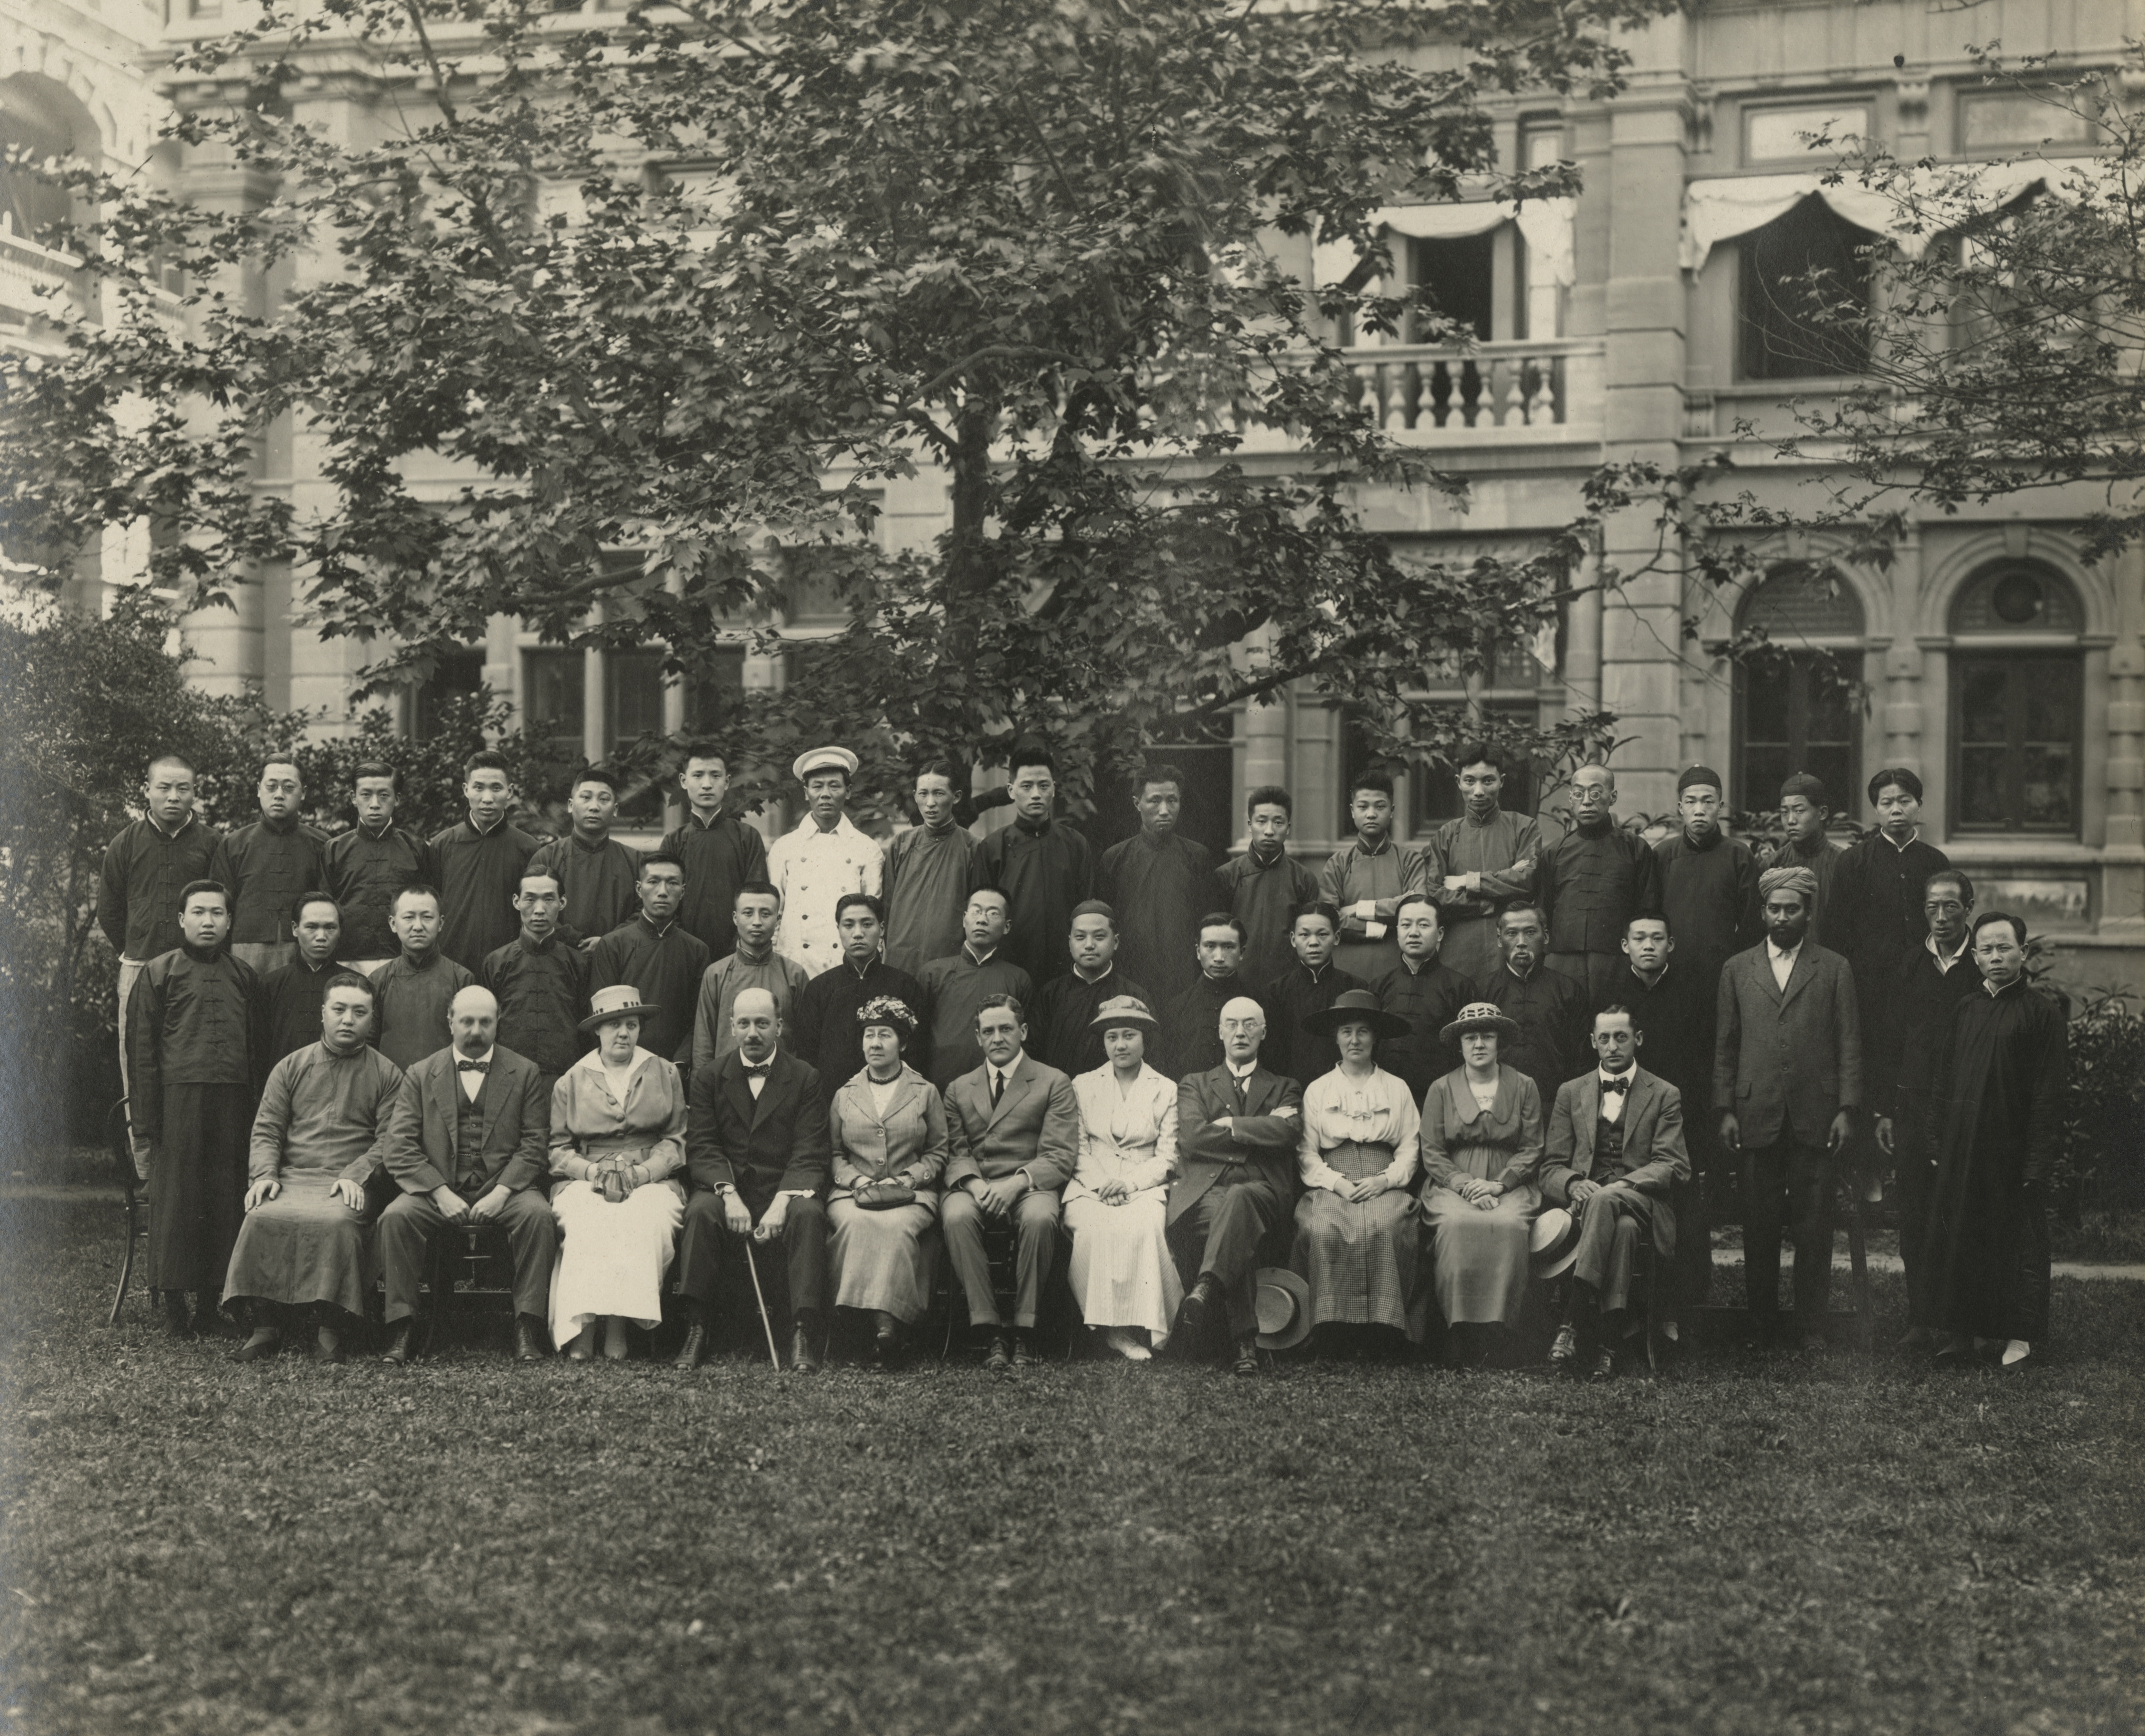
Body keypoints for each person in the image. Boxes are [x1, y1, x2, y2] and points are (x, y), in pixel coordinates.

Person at [1714, 865, 1861, 1351]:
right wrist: (1725, 1107)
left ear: (1807, 913)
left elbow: (1848, 1042)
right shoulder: (1737, 968)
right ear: (1762, 912)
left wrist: (1846, 1108)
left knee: (1813, 1227)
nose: (1782, 917)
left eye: (1791, 909)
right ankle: (1759, 1322)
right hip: (1755, 1111)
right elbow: (1725, 1044)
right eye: (1774, 909)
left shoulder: (1833, 967)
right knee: (1757, 1226)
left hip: (1815, 1114)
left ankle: (1810, 1324)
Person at [224, 971, 403, 1363]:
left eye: (359, 1012)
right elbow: (267, 1129)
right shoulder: (291, 1066)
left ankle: (330, 1327)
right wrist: (265, 1175)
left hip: (351, 1181)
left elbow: (391, 1139)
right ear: (323, 1013)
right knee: (262, 1215)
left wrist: (356, 1174)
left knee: (338, 1221)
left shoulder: (388, 1074)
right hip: (293, 1178)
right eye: (339, 1009)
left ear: (372, 1019)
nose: (348, 1019)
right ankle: (265, 1326)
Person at [1915, 913, 2067, 1370]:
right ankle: (1963, 1331)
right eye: (1986, 949)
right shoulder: (1966, 1008)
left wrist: (2036, 1162)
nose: (1995, 957)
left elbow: (2048, 1095)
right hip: (1964, 1146)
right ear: (1976, 957)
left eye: (2004, 947)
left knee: (2018, 1242)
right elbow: (1943, 1079)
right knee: (1963, 1235)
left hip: (2012, 1150)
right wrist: (1936, 1140)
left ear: (2023, 951)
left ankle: (2018, 1338)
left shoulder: (2041, 1012)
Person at [377, 985, 556, 1364]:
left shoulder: (524, 1072)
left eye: (485, 1022)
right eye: (467, 1021)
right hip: (438, 1187)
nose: (476, 1031)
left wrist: (502, 1191)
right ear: (450, 1021)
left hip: (505, 1186)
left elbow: (535, 1143)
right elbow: (399, 1146)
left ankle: (526, 1324)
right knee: (396, 1217)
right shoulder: (420, 1074)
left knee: (538, 1216)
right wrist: (439, 1192)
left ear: (498, 1022)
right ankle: (402, 1326)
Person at [126, 879, 266, 1337]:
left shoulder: (244, 975)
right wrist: (149, 1120)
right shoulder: (159, 972)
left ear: (230, 921)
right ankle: (175, 1309)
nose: (209, 921)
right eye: (199, 912)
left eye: (217, 913)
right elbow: (141, 1050)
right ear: (182, 919)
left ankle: (211, 1305)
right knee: (177, 1204)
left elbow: (256, 1048)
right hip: (177, 1103)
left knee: (224, 1200)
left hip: (232, 1101)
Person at [674, 987, 831, 1372]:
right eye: (743, 1023)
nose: (752, 1033)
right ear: (731, 1026)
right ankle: (697, 1327)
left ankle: (802, 1331)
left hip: (783, 1188)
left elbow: (809, 1149)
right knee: (700, 1211)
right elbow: (703, 1145)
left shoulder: (805, 1077)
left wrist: (782, 1202)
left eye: (762, 1023)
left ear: (779, 1026)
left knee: (808, 1213)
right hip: (729, 1188)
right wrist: (728, 1195)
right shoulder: (710, 1077)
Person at [1539, 1007, 1691, 1380]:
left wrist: (1622, 1185)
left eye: (1621, 1037)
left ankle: (1571, 1321)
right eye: (1604, 1038)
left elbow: (1673, 1165)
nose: (1612, 1046)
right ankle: (1608, 1347)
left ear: (1637, 1039)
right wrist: (1573, 1183)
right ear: (1593, 1042)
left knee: (1607, 1199)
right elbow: (1550, 1167)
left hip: (1645, 1202)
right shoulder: (1570, 1092)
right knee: (1622, 1229)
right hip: (1593, 1208)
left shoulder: (1664, 1093)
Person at [545, 983, 689, 1361]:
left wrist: (643, 1173)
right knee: (587, 1218)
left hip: (651, 1176)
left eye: (631, 1024)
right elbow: (558, 1150)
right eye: (613, 1025)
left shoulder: (664, 1072)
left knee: (643, 1217)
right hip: (587, 1176)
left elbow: (675, 1139)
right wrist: (592, 1171)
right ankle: (583, 1326)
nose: (623, 1033)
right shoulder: (572, 1080)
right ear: (597, 1029)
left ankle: (618, 1326)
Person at [940, 994, 1081, 1369]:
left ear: (1024, 1031)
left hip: (1030, 1184)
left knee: (1039, 1218)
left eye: (1006, 1029)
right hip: (976, 1184)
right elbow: (954, 1150)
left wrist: (1016, 1183)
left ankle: (1024, 1329)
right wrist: (974, 1184)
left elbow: (1059, 1153)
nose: (997, 1038)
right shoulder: (958, 1088)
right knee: (956, 1216)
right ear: (977, 1037)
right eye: (988, 1031)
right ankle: (989, 1328)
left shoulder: (1053, 1081)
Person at [1874, 871, 1985, 1340]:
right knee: (1915, 1214)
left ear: (1969, 908)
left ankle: (1961, 1321)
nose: (1940, 917)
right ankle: (1921, 1318)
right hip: (1913, 1108)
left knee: (1963, 1214)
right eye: (1931, 907)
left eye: (1950, 907)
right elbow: (1888, 1041)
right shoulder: (1909, 964)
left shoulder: (1980, 966)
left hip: (1967, 1107)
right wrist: (1884, 1110)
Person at [1170, 997, 1304, 1376]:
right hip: (1208, 1191)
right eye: (1231, 1024)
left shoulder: (1285, 1086)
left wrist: (1229, 1125)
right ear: (1219, 1032)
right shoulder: (1195, 1083)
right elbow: (1192, 1138)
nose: (1240, 1032)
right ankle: (1244, 1342)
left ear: (1264, 1032)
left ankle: (1206, 1287)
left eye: (1249, 1024)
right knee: (1233, 1216)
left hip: (1264, 1190)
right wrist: (1259, 1129)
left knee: (1240, 1200)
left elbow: (1288, 1132)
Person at [99, 752, 220, 1171]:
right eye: (164, 787)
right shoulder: (125, 843)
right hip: (139, 970)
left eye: (183, 788)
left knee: (195, 1064)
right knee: (138, 1067)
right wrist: (139, 948)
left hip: (199, 972)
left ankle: (193, 1170)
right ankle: (148, 1174)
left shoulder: (212, 843)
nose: (173, 796)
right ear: (146, 790)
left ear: (194, 793)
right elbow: (110, 911)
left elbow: (223, 906)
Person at [1289, 989, 1424, 1349]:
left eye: (1363, 1031)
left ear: (1375, 1037)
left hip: (1383, 1178)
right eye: (1346, 1031)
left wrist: (1385, 1180)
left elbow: (1410, 1147)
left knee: (1385, 1226)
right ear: (1335, 1037)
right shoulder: (1318, 1090)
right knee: (1323, 1228)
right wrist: (1336, 1183)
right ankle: (1330, 1327)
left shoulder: (1396, 1088)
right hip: (1333, 1180)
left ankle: (1385, 1329)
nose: (1355, 1040)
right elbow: (1306, 1151)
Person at [1599, 913, 1713, 1313]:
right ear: (1624, 945)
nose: (1648, 945)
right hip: (1624, 1120)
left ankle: (1683, 1311)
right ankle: (1623, 1307)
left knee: (1684, 1210)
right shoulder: (1610, 993)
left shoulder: (1693, 992)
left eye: (1657, 938)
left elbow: (1707, 1059)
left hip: (1682, 1119)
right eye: (1639, 938)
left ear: (1671, 944)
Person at [825, 996, 948, 1364]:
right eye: (869, 1035)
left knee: (895, 1227)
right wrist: (855, 1181)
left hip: (912, 1193)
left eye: (885, 1035)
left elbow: (938, 1151)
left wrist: (911, 1178)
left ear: (903, 1043)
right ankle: (858, 1324)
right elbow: (834, 1153)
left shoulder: (924, 1091)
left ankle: (891, 1323)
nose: (875, 1043)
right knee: (854, 1224)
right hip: (853, 1193)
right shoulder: (845, 1094)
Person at [1417, 1003, 1544, 1361]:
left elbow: (1532, 1146)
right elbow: (1432, 1150)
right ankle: (1457, 1331)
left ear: (1499, 1042)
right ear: (1459, 1045)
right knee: (1457, 1224)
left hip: (1509, 1182)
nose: (1479, 1044)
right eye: (1470, 1037)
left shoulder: (1524, 1086)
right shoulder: (1441, 1088)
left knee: (1508, 1225)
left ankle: (1500, 1332)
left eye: (1487, 1036)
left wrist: (1499, 1185)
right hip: (1453, 1182)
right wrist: (1465, 1184)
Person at [1063, 997, 1183, 1361]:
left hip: (1143, 1182)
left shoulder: (1164, 1087)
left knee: (1145, 1227)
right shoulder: (1083, 1084)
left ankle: (1144, 1324)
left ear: (1144, 1039)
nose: (1120, 1045)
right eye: (1112, 1037)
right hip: (1091, 1183)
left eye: (1129, 1035)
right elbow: (1077, 1147)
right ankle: (1111, 1330)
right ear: (1103, 1042)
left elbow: (1167, 1155)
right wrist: (1102, 1184)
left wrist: (1129, 1184)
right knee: (1093, 1228)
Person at [968, 739, 1094, 984]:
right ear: (1011, 790)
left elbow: (1087, 911)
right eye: (1026, 786)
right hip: (1009, 972)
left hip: (1066, 973)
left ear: (1054, 789)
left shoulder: (1076, 844)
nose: (1036, 794)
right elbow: (981, 917)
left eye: (1043, 785)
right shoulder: (993, 847)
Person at [1098, 762, 1221, 1010]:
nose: (1164, 810)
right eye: (1155, 800)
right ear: (1137, 803)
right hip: (1130, 981)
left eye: (1172, 800)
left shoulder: (1198, 857)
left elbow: (1210, 925)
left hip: (1185, 981)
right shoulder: (1115, 859)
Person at [1541, 764, 1664, 1003]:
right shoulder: (1554, 852)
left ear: (1613, 797)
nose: (1587, 801)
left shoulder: (1635, 849)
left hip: (1618, 965)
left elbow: (1648, 910)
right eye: (1579, 794)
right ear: (1571, 799)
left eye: (1596, 793)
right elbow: (1543, 913)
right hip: (1562, 964)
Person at [1428, 744, 1542, 986]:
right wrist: (1489, 903)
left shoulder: (1523, 827)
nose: (1478, 791)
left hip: (1509, 951)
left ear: (1502, 782)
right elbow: (1435, 894)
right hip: (1457, 951)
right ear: (1459, 782)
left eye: (1488, 781)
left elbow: (1527, 881)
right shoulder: (1446, 835)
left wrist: (1467, 881)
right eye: (1470, 781)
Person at [586, 854, 710, 1074]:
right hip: (623, 1067)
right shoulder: (613, 944)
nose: (663, 891)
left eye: (672, 883)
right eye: (653, 882)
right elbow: (603, 1016)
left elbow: (699, 1019)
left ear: (683, 891)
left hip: (676, 1070)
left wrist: (680, 1064)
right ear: (639, 888)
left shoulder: (697, 950)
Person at [789, 893, 929, 1086]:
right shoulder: (819, 988)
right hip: (832, 1097)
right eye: (849, 925)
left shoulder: (905, 986)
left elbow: (917, 1053)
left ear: (882, 929)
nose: (858, 933)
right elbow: (807, 1056)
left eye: (867, 924)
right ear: (838, 929)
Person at [767, 744, 881, 974]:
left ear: (848, 791)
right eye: (817, 786)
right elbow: (774, 912)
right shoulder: (784, 847)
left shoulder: (867, 848)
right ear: (806, 792)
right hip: (795, 963)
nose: (825, 794)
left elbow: (872, 916)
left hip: (846, 965)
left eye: (834, 786)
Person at [210, 758, 328, 975]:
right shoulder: (234, 844)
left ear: (303, 793)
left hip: (304, 950)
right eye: (271, 787)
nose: (279, 795)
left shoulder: (322, 845)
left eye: (289, 788)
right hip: (245, 952)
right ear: (259, 790)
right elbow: (219, 906)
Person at [1652, 765, 1760, 1001]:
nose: (1699, 810)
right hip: (1671, 978)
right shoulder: (1662, 855)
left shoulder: (1739, 856)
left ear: (1720, 807)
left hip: (1723, 978)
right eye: (1691, 802)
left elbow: (1752, 925)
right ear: (1681, 808)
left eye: (1708, 802)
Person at [480, 868, 589, 1093]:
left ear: (562, 902)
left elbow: (587, 1029)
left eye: (549, 899)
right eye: (530, 899)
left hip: (565, 1081)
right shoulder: (496, 963)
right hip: (508, 1080)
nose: (539, 910)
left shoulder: (578, 963)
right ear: (516, 902)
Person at [429, 749, 540, 971]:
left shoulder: (528, 848)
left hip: (510, 967)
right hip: (452, 966)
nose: (487, 799)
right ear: (466, 790)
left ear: (510, 792)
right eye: (479, 788)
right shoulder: (443, 844)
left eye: (496, 788)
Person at [1318, 768, 1431, 983]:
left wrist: (1359, 909)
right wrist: (1377, 928)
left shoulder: (1410, 860)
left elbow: (1416, 909)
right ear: (1352, 811)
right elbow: (1328, 919)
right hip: (1347, 970)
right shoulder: (1337, 863)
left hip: (1398, 969)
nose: (1371, 814)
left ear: (1392, 811)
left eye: (1380, 806)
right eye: (1363, 807)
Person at [916, 886, 1034, 1090]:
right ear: (964, 920)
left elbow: (1025, 1045)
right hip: (939, 1086)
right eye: (976, 911)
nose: (982, 920)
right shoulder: (933, 974)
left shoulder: (1018, 979)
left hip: (998, 1090)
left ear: (1007, 926)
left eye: (993, 913)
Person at [663, 742, 770, 963]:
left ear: (727, 782)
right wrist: (686, 948)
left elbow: (757, 901)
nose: (707, 785)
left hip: (739, 956)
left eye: (715, 776)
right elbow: (666, 903)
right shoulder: (673, 842)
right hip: (684, 955)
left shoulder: (747, 837)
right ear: (684, 781)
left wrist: (737, 951)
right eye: (698, 775)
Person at [691, 881, 813, 1075]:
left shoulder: (794, 974)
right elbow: (703, 1044)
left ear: (778, 920)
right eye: (748, 913)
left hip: (781, 1083)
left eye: (766, 914)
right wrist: (703, 1089)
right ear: (735, 918)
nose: (757, 922)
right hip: (727, 1084)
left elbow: (806, 1043)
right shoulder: (716, 974)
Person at [326, 762, 436, 974]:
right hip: (347, 961)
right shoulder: (335, 850)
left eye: (384, 795)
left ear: (398, 798)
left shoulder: (416, 849)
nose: (375, 804)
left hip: (404, 962)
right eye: (366, 795)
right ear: (353, 798)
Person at [1480, 902, 1586, 1112]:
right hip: (1495, 1107)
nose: (1521, 943)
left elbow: (1581, 1061)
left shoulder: (1568, 991)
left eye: (1530, 932)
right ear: (1500, 940)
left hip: (1554, 1106)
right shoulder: (1483, 991)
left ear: (1545, 937)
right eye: (1512, 934)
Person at [1028, 901, 1152, 1078]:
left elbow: (1152, 1059)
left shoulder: (1134, 995)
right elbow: (1032, 1056)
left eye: (1099, 937)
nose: (1089, 945)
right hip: (1058, 1093)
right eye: (1080, 937)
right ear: (1070, 943)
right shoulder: (1050, 995)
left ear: (1116, 942)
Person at [1371, 892, 1476, 1100]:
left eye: (1424, 925)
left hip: (1441, 1098)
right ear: (1398, 931)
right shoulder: (1379, 986)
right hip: (1383, 1097)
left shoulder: (1461, 987)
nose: (1413, 933)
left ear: (1440, 933)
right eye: (1406, 925)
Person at [1218, 785, 1321, 992]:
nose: (1269, 831)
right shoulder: (1226, 876)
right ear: (1250, 825)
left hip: (1288, 989)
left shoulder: (1303, 879)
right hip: (1236, 986)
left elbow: (1310, 936)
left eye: (1278, 822)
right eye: (1262, 821)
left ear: (1288, 827)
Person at [527, 765, 642, 943]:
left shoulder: (634, 861)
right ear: (571, 805)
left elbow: (644, 912)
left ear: (615, 809)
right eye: (586, 798)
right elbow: (532, 908)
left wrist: (608, 942)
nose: (594, 807)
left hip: (618, 954)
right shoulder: (547, 858)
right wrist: (575, 941)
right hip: (560, 955)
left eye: (604, 799)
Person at [368, 884, 477, 1073]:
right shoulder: (379, 980)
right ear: (393, 924)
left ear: (441, 923)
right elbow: (369, 1045)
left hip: (445, 1083)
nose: (418, 926)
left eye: (427, 917)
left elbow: (471, 1044)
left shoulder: (462, 979)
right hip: (392, 1086)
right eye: (409, 917)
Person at [882, 758, 974, 976]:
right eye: (923, 794)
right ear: (915, 796)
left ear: (956, 797)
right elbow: (887, 907)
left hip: (950, 966)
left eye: (939, 793)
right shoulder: (901, 844)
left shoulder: (973, 847)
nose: (930, 803)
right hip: (901, 961)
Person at [1259, 901, 1367, 1086]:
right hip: (1291, 1092)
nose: (1314, 943)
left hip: (1345, 1090)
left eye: (1322, 934)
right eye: (1305, 935)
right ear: (1293, 940)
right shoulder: (1276, 992)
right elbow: (1272, 1056)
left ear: (1337, 938)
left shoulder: (1355, 988)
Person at [1160, 912, 1255, 1079]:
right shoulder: (1177, 1008)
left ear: (1242, 952)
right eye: (1210, 946)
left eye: (1228, 947)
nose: (1219, 958)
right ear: (1198, 951)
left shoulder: (1259, 1004)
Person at [259, 893, 349, 1067]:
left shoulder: (353, 984)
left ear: (340, 931)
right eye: (311, 927)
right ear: (295, 929)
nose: (321, 936)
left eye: (330, 928)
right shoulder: (271, 984)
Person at [1755, 773, 1843, 946]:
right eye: (1784, 812)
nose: (1791, 820)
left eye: (1799, 811)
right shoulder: (1772, 864)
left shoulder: (1843, 862)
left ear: (1822, 813)